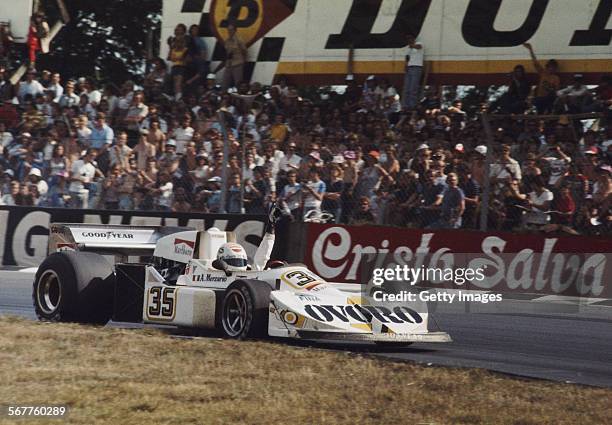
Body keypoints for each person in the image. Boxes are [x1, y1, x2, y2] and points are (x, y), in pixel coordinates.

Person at [215, 203, 282, 272]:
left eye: (240, 261)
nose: (238, 264)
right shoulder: (212, 276)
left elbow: (263, 257)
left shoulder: (251, 273)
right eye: (232, 261)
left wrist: (271, 226)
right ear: (221, 262)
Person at [523, 43, 560, 114]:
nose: (552, 69)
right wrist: (530, 50)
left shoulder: (556, 78)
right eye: (550, 67)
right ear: (547, 67)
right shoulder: (543, 73)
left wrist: (549, 89)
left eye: (553, 67)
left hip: (549, 100)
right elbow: (535, 63)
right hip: (540, 98)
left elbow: (555, 91)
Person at [222, 23, 247, 90]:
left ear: (235, 30)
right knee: (224, 83)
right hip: (228, 64)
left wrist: (244, 61)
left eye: (231, 30)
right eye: (228, 30)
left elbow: (244, 51)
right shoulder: (227, 41)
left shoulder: (239, 40)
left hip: (237, 64)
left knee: (238, 83)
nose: (229, 31)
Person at [402, 33, 424, 110]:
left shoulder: (419, 44)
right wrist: (405, 65)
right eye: (408, 39)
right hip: (409, 67)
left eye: (410, 38)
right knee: (407, 87)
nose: (409, 40)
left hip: (417, 67)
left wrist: (412, 45)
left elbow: (419, 47)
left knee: (413, 88)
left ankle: (412, 105)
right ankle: (406, 105)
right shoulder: (408, 48)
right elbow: (407, 56)